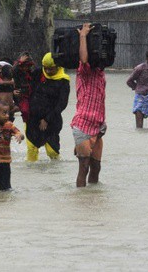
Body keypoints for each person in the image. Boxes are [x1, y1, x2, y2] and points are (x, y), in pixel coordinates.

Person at [70, 23, 106, 187]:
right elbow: (84, 59)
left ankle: (92, 199)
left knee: (96, 167)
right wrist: (83, 36)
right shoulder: (84, 72)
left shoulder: (100, 73)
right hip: (83, 124)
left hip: (98, 125)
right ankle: (81, 200)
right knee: (83, 167)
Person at [25, 52, 70, 161]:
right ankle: (31, 174)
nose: (48, 71)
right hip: (32, 119)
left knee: (52, 152)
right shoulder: (38, 73)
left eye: (51, 69)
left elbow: (61, 104)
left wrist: (47, 119)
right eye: (46, 68)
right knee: (32, 149)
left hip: (52, 120)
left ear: (58, 67)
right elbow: (24, 82)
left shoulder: (63, 81)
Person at [126, 49, 148, 128]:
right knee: (139, 126)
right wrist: (137, 88)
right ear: (147, 59)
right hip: (140, 97)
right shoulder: (140, 68)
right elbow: (129, 81)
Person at [13, 52, 36, 124]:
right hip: (22, 95)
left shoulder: (32, 72)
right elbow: (12, 71)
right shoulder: (17, 72)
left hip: (31, 94)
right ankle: (27, 122)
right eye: (24, 66)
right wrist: (19, 62)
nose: (25, 68)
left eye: (28, 66)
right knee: (25, 110)